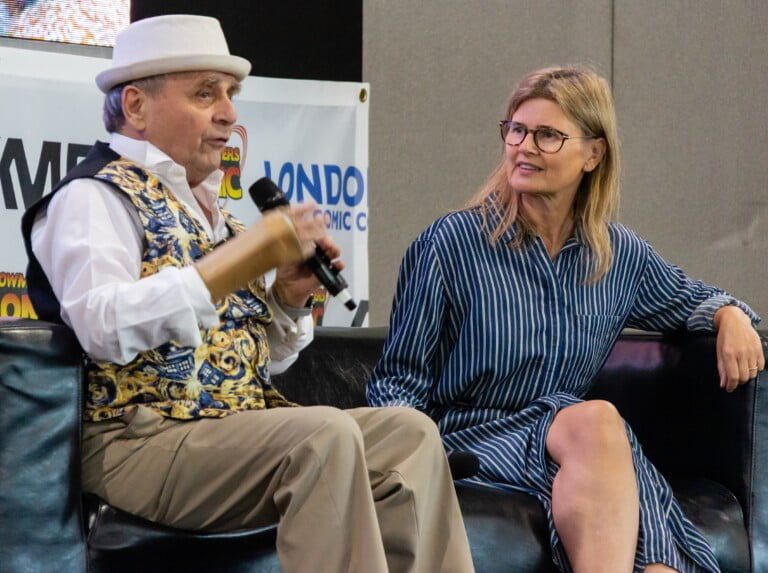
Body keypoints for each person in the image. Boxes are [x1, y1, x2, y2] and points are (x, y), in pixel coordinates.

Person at [21, 14, 474, 573]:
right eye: (205, 93)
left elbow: (264, 359)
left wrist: (285, 296)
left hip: (229, 430)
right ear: (136, 106)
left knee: (410, 434)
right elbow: (102, 328)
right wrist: (236, 265)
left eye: (230, 94)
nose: (229, 114)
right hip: (133, 440)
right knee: (322, 435)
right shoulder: (92, 197)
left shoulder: (221, 219)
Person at [367, 65, 764, 573]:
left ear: (593, 154)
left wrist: (731, 315)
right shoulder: (450, 244)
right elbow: (398, 384)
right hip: (471, 442)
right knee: (597, 421)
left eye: (548, 135)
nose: (524, 146)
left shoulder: (618, 255)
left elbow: (693, 298)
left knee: (606, 453)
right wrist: (410, 469)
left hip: (571, 447)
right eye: (517, 130)